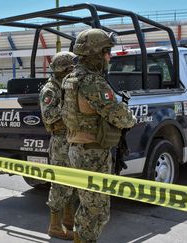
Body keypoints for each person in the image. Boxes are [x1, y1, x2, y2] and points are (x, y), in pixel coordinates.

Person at [61, 29, 136, 242]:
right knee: (97, 210)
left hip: (77, 148)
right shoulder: (92, 82)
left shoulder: (71, 78)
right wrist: (131, 119)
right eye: (106, 52)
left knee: (89, 205)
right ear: (94, 53)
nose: (109, 57)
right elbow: (117, 115)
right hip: (92, 153)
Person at [39, 51, 77, 240]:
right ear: (64, 69)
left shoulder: (65, 86)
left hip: (71, 139)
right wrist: (70, 107)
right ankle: (55, 226)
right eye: (71, 68)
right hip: (60, 141)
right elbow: (48, 116)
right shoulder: (50, 89)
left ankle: (68, 220)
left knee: (72, 182)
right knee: (60, 183)